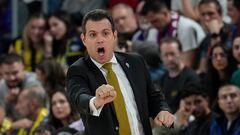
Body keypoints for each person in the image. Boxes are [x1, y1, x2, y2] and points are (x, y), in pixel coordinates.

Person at [67, 9, 174, 135]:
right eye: (93, 35)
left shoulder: (136, 62)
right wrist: (96, 101)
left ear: (114, 35)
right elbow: (79, 98)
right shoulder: (78, 70)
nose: (99, 40)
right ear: (84, 39)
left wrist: (162, 110)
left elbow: (153, 96)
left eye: (105, 33)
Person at [159, 37, 200, 112]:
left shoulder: (191, 78)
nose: (170, 59)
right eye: (166, 55)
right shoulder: (161, 79)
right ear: (161, 57)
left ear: (180, 53)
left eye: (172, 54)